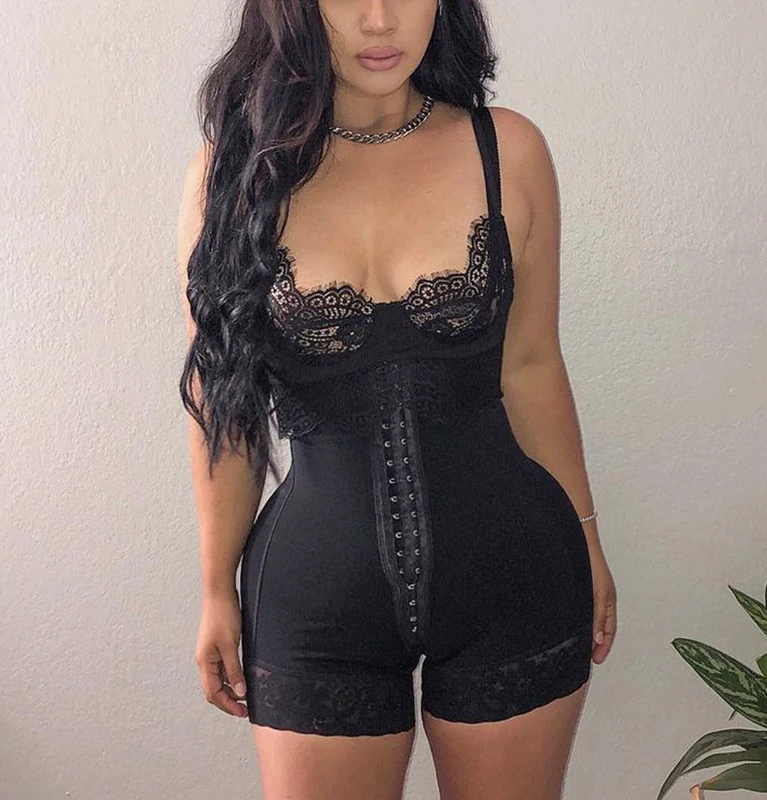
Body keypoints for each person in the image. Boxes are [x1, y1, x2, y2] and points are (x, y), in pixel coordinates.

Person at [176, 0, 617, 797]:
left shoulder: (506, 148)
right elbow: (223, 407)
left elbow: (530, 364)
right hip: (317, 596)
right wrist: (214, 587)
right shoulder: (231, 176)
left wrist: (587, 535)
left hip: (515, 571)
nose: (380, 20)